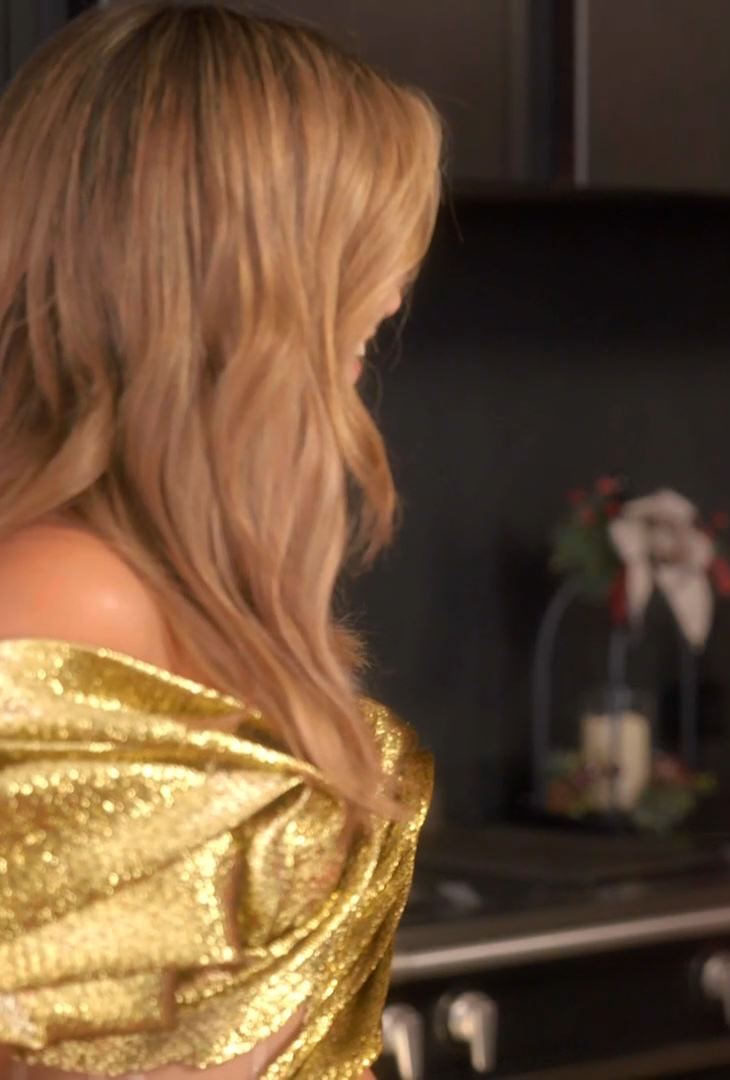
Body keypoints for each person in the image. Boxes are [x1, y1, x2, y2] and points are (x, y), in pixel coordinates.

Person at [0, 4, 443, 1077]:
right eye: (366, 242)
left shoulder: (161, 589)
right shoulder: (68, 595)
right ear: (245, 273)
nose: (395, 288)